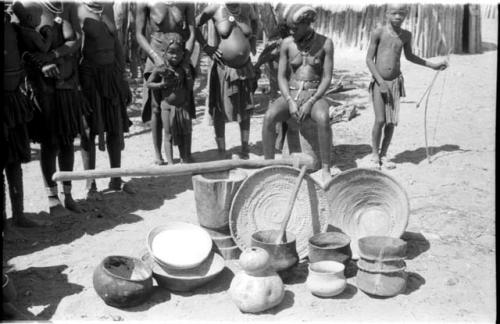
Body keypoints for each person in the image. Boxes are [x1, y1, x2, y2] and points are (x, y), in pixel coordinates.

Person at [13, 1, 89, 217]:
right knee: (50, 142)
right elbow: (20, 47)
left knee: (66, 140)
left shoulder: (68, 5)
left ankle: (68, 194)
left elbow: (75, 39)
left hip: (66, 81)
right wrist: (41, 63)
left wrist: (53, 55)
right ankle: (52, 197)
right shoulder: (27, 5)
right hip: (42, 85)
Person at [366, 4, 448, 169]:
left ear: (405, 16)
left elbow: (409, 56)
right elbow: (369, 59)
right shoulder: (378, 32)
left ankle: (384, 154)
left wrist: (432, 65)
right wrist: (380, 82)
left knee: (391, 122)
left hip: (396, 82)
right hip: (380, 82)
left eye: (401, 14)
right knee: (380, 119)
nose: (398, 17)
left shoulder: (406, 35)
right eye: (394, 13)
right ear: (387, 14)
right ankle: (375, 155)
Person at [262, 5, 335, 182]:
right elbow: (281, 77)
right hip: (291, 93)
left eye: (295, 28)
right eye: (290, 28)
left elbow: (327, 77)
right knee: (269, 116)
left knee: (324, 118)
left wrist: (312, 100)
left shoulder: (325, 43)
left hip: (314, 94)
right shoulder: (287, 43)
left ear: (307, 23)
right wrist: (289, 99)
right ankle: (268, 165)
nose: (291, 32)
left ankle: (326, 168)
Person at [71, 1, 134, 199]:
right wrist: (79, 89)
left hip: (111, 76)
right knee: (89, 131)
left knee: (115, 128)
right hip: (90, 78)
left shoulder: (107, 6)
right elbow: (73, 52)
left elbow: (117, 45)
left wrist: (123, 80)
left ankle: (116, 178)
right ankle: (91, 184)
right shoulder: (75, 8)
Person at [195, 3, 258, 159]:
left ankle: (244, 149)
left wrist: (253, 40)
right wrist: (206, 47)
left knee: (245, 109)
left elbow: (256, 22)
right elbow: (194, 24)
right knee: (220, 110)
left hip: (245, 68)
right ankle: (222, 151)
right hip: (224, 69)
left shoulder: (247, 8)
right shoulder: (215, 8)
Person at [136, 2, 195, 165]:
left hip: (179, 56)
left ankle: (185, 152)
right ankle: (158, 154)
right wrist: (155, 57)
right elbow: (139, 34)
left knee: (182, 101)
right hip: (155, 55)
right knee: (156, 107)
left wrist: (186, 58)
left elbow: (192, 33)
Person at [2, 6, 44, 227]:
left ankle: (18, 215)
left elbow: (35, 38)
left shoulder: (13, 28)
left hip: (14, 102)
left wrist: (18, 9)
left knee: (14, 161)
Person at [144, 33, 194, 165]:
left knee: (185, 133)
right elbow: (149, 84)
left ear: (183, 53)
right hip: (166, 107)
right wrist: (161, 85)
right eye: (171, 52)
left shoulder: (183, 69)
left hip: (182, 107)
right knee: (168, 134)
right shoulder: (161, 69)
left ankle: (185, 158)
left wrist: (188, 74)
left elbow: (189, 87)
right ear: (164, 53)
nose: (175, 56)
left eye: (178, 53)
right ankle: (171, 163)